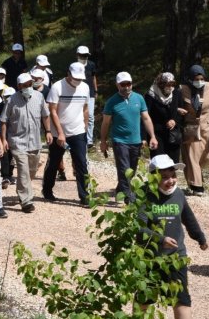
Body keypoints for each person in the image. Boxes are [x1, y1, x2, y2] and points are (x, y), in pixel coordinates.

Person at [132, 154, 208, 319]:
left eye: (172, 175)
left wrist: (200, 238)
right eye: (164, 177)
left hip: (176, 257)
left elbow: (188, 218)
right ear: (153, 177)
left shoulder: (179, 194)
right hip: (150, 258)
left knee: (181, 299)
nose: (170, 181)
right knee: (145, 297)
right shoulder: (145, 196)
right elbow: (138, 228)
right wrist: (160, 239)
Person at [100, 72, 158, 203]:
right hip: (119, 140)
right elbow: (105, 123)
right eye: (123, 84)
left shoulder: (139, 99)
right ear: (117, 85)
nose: (126, 87)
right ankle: (128, 198)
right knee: (124, 169)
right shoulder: (111, 102)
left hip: (136, 141)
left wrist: (152, 136)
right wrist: (103, 141)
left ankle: (120, 190)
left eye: (128, 84)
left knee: (131, 170)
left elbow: (146, 118)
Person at [1, 73, 51, 214]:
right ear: (19, 86)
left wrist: (48, 131)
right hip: (18, 141)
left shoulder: (39, 97)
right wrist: (4, 139)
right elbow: (4, 120)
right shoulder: (11, 100)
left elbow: (45, 115)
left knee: (31, 171)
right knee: (23, 171)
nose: (28, 87)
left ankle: (22, 191)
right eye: (25, 85)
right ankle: (26, 201)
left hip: (35, 141)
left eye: (30, 84)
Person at [42, 62, 90, 205]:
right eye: (75, 78)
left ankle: (84, 196)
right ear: (68, 73)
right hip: (59, 134)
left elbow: (86, 109)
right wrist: (60, 133)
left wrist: (85, 128)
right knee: (54, 163)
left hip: (78, 132)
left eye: (80, 78)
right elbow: (53, 111)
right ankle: (47, 190)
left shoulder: (85, 87)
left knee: (82, 164)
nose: (77, 81)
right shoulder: (57, 87)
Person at [180, 65, 209, 196]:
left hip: (206, 125)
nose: (199, 81)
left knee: (204, 156)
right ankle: (197, 186)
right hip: (190, 126)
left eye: (201, 78)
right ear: (190, 79)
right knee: (192, 155)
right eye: (196, 78)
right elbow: (176, 104)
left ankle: (193, 181)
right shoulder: (183, 89)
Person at [144, 72, 183, 163]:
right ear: (161, 84)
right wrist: (145, 137)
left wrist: (175, 121)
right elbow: (145, 115)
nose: (170, 87)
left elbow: (181, 112)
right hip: (156, 133)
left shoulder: (176, 93)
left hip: (173, 134)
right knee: (158, 163)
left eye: (172, 84)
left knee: (172, 164)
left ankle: (170, 178)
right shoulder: (151, 95)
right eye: (167, 84)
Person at [76, 46, 98, 147]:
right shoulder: (74, 66)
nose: (84, 57)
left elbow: (93, 77)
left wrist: (96, 90)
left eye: (85, 55)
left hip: (90, 93)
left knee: (90, 117)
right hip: (77, 94)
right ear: (77, 55)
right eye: (82, 55)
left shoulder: (91, 65)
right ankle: (79, 137)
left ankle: (89, 140)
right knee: (78, 116)